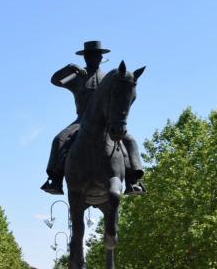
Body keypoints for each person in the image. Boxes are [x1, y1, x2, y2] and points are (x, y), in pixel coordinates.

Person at [40, 40, 145, 196]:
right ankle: (55, 179)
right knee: (59, 139)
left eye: (96, 55)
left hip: (106, 122)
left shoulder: (109, 78)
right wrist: (70, 68)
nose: (93, 58)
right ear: (84, 57)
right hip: (81, 121)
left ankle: (133, 181)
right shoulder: (76, 77)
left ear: (101, 57)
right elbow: (55, 80)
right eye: (89, 55)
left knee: (130, 141)